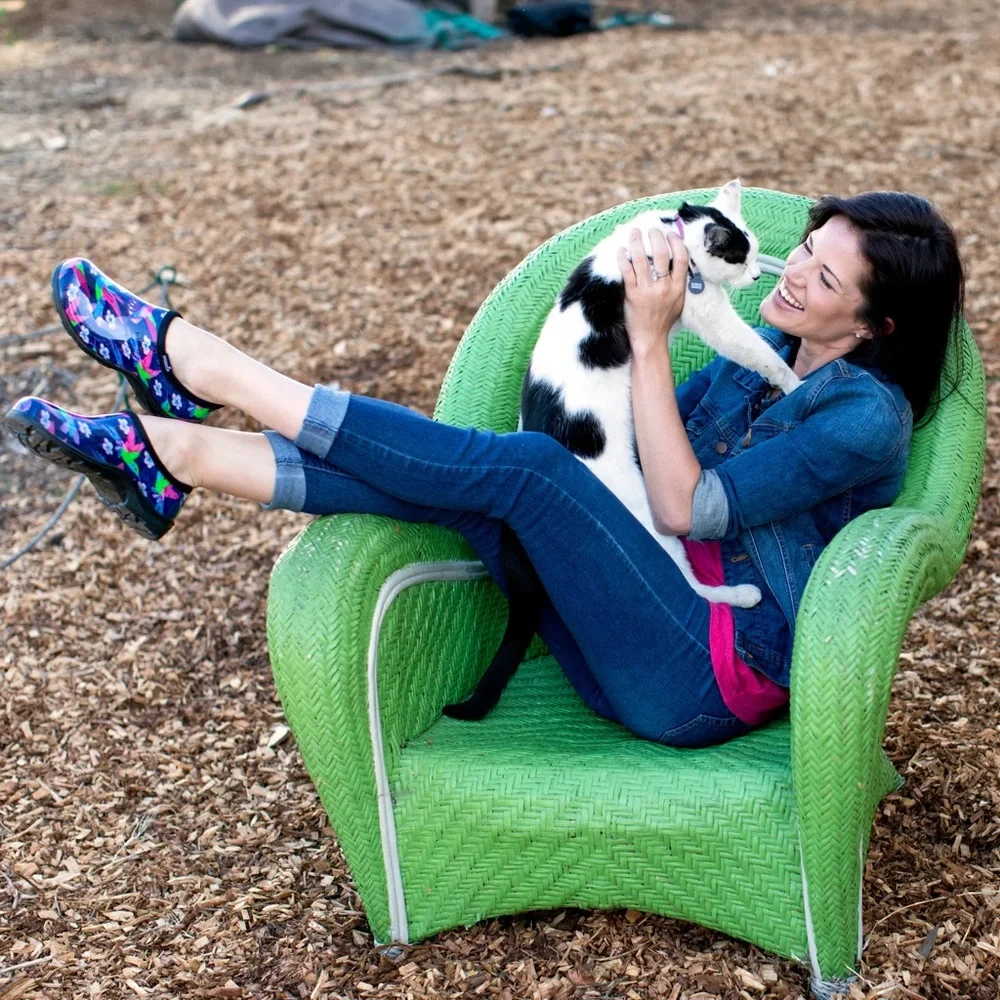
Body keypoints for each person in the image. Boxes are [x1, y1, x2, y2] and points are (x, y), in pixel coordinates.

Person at [5, 192, 965, 748]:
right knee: (484, 486)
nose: (792, 273)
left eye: (824, 279)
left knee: (527, 473)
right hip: (628, 630)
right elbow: (638, 449)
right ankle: (176, 452)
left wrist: (648, 338)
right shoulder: (768, 348)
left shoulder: (863, 419)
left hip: (700, 677)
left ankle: (199, 367)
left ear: (875, 327)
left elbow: (682, 503)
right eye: (806, 249)